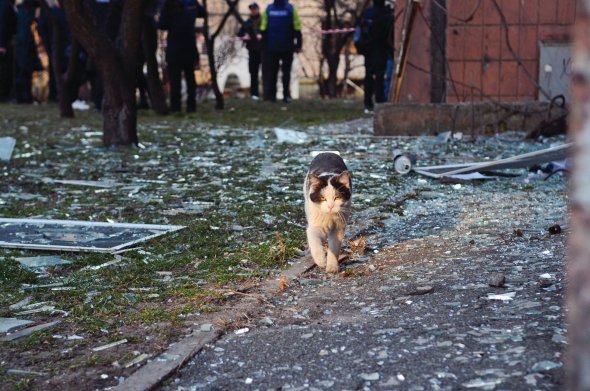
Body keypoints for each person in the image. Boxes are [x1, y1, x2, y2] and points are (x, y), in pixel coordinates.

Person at [159, 0, 203, 113]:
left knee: (176, 81)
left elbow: (162, 24)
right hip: (188, 47)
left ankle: (176, 107)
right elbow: (203, 13)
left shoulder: (170, 5)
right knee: (189, 80)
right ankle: (190, 107)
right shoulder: (191, 3)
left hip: (176, 48)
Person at [260, 0, 302, 103]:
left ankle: (272, 96)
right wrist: (298, 44)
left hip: (272, 46)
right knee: (286, 72)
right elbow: (297, 28)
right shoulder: (291, 9)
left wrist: (264, 46)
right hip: (287, 46)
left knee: (272, 72)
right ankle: (286, 96)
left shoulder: (269, 9)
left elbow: (263, 29)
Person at [355, 0, 393, 113]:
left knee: (369, 76)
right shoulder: (386, 14)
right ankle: (379, 101)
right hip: (381, 48)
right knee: (380, 76)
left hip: (369, 48)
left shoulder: (367, 13)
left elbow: (360, 31)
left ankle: (368, 103)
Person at [237, 2, 262, 100]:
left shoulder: (264, 21)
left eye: (255, 9)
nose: (253, 11)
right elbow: (239, 34)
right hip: (252, 51)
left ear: (258, 9)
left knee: (267, 73)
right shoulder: (247, 23)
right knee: (253, 72)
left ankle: (268, 93)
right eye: (252, 9)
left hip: (264, 51)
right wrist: (244, 37)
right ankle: (254, 94)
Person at [0, 0, 17, 102]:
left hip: (5, 41)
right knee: (4, 70)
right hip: (5, 42)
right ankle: (3, 95)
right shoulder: (4, 4)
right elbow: (2, 23)